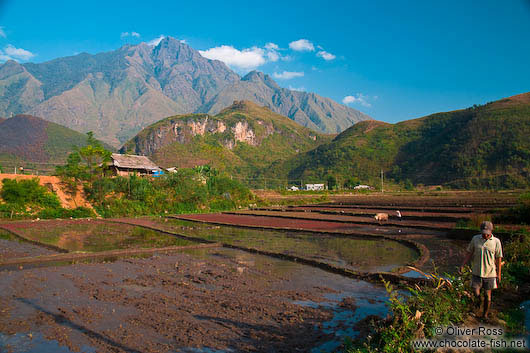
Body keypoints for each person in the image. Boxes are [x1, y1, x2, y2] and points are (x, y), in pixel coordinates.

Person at [461, 221, 503, 318]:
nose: (485, 236)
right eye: (483, 233)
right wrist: (462, 264)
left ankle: (485, 314)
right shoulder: (475, 239)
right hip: (477, 271)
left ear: (491, 232)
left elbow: (498, 258)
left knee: (488, 295)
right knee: (476, 292)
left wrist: (498, 274)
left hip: (490, 273)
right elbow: (469, 252)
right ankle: (479, 303)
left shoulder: (496, 242)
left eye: (487, 234)